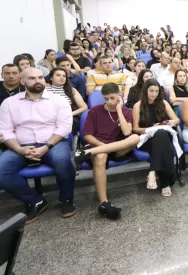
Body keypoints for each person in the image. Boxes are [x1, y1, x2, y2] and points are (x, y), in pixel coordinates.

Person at [0, 68, 76, 224]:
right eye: (32, 78)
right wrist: (19, 149)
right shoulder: (9, 103)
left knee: (63, 160)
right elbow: (6, 130)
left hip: (53, 143)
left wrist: (46, 147)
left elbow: (64, 127)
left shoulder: (58, 100)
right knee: (1, 170)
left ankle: (67, 199)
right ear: (23, 82)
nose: (38, 81)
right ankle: (35, 200)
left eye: (40, 77)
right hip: (21, 145)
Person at [73, 83, 140, 220]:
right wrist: (101, 145)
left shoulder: (126, 111)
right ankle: (104, 203)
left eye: (112, 98)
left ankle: (85, 154)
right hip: (98, 146)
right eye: (106, 98)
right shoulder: (95, 111)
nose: (109, 102)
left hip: (118, 147)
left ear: (119, 96)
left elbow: (127, 132)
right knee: (101, 155)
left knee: (135, 137)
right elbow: (87, 136)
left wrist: (119, 110)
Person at [132, 79, 181, 197]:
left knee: (161, 134)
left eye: (156, 91)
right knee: (162, 138)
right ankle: (165, 183)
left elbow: (177, 120)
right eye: (151, 91)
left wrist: (169, 122)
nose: (154, 94)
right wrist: (150, 128)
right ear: (145, 91)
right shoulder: (138, 105)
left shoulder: (163, 102)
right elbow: (135, 129)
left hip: (162, 135)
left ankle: (152, 172)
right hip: (146, 138)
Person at [46, 68, 88, 134]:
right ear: (51, 78)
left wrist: (71, 114)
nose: (61, 78)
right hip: (49, 116)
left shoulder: (72, 90)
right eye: (58, 75)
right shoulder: (45, 90)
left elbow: (84, 107)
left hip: (67, 116)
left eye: (64, 76)